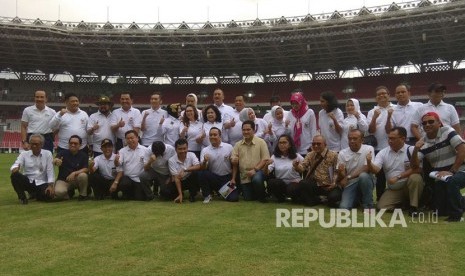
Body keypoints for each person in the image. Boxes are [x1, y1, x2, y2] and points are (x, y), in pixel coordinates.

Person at [411, 112, 465, 222]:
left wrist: (452, 171)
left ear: (439, 123)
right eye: (424, 123)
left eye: (431, 121)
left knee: (452, 181)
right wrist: (415, 150)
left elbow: (462, 150)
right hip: (441, 176)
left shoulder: (448, 131)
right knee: (440, 212)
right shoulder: (423, 142)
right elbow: (414, 165)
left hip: (460, 170)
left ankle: (456, 216)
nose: (427, 124)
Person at [368, 127, 424, 214]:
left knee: (415, 178)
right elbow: (376, 170)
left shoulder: (412, 149)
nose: (390, 141)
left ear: (403, 139)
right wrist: (369, 162)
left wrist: (399, 177)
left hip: (409, 186)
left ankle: (414, 207)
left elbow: (418, 169)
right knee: (381, 207)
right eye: (389, 138)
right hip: (395, 189)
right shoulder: (383, 153)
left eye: (393, 138)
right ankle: (404, 204)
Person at [294, 135, 341, 206]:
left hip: (329, 185)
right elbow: (302, 168)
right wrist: (296, 166)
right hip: (315, 184)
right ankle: (317, 200)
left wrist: (334, 183)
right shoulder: (310, 154)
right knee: (303, 183)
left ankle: (323, 199)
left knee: (334, 198)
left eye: (318, 144)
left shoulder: (334, 155)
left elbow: (337, 171)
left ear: (325, 145)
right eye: (313, 144)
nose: (315, 146)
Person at [231, 120, 270, 202]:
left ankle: (262, 196)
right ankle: (257, 192)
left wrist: (255, 170)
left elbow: (265, 159)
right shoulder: (238, 145)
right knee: (248, 198)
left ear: (254, 130)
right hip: (244, 176)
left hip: (258, 172)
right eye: (244, 130)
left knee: (257, 179)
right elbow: (234, 161)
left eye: (248, 130)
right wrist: (234, 160)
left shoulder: (261, 142)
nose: (246, 132)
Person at [367, 86, 394, 200]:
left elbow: (390, 131)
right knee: (380, 176)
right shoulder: (371, 111)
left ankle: (395, 199)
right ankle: (380, 199)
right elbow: (371, 131)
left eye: (384, 93)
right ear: (375, 98)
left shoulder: (395, 108)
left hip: (392, 147)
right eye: (379, 94)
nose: (381, 96)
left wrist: (389, 116)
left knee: (394, 174)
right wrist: (374, 117)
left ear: (389, 95)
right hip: (378, 148)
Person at [10, 134, 55, 204]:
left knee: (48, 196)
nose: (34, 146)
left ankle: (35, 194)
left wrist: (50, 186)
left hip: (41, 182)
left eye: (36, 144)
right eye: (32, 144)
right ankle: (22, 198)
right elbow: (16, 164)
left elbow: (50, 170)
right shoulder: (24, 154)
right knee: (14, 175)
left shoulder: (48, 154)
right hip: (28, 181)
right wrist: (14, 168)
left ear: (42, 145)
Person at [337, 129, 375, 210]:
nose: (352, 141)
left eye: (355, 138)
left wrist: (348, 177)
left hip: (365, 180)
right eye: (350, 138)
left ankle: (368, 206)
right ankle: (357, 199)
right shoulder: (342, 153)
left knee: (363, 176)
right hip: (350, 183)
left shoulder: (369, 148)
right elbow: (343, 175)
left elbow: (366, 168)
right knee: (343, 208)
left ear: (362, 140)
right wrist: (341, 173)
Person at [110, 130, 152, 201]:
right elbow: (118, 164)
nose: (130, 140)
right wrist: (116, 160)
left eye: (132, 138)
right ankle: (127, 194)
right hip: (128, 179)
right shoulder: (122, 151)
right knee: (124, 183)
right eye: (128, 138)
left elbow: (147, 167)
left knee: (139, 198)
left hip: (139, 180)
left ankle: (136, 193)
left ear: (137, 138)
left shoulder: (145, 150)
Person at [198, 127, 238, 203]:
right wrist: (205, 161)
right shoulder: (205, 150)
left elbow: (234, 165)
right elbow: (203, 168)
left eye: (215, 135)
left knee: (234, 198)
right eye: (210, 135)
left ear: (220, 136)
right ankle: (207, 195)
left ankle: (220, 191)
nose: (212, 137)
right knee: (201, 173)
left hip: (227, 178)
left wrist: (233, 179)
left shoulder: (228, 147)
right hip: (214, 178)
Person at [264, 134, 303, 203]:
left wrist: (296, 166)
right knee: (272, 182)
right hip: (281, 183)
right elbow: (267, 173)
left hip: (294, 182)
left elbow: (304, 169)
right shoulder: (274, 157)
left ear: (290, 144)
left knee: (292, 189)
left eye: (284, 142)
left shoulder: (297, 156)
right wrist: (266, 166)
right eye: (280, 143)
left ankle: (295, 197)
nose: (282, 145)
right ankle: (280, 198)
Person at [53, 135, 89, 200]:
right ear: (68, 144)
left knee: (83, 175)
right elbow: (55, 161)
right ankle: (68, 194)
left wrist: (74, 173)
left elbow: (86, 169)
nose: (73, 145)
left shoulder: (84, 155)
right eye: (71, 143)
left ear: (80, 145)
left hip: (76, 179)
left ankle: (83, 195)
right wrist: (56, 161)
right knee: (58, 192)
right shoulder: (62, 153)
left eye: (75, 143)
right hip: (64, 180)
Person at [165, 138, 201, 203]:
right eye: (180, 149)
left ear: (187, 148)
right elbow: (176, 178)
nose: (183, 151)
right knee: (165, 193)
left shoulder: (192, 155)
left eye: (184, 148)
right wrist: (180, 194)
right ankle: (181, 195)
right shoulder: (171, 160)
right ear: (176, 149)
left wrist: (185, 169)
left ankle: (192, 195)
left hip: (190, 180)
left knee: (196, 173)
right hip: (179, 181)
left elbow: (198, 166)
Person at [288, 91, 317, 155]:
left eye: (297, 103)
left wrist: (313, 144)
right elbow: (289, 130)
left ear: (301, 102)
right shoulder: (290, 113)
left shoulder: (309, 112)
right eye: (293, 104)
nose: (295, 106)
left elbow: (313, 129)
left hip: (307, 146)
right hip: (294, 148)